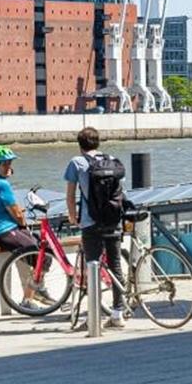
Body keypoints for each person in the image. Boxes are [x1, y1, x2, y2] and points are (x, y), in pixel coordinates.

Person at [0, 145, 54, 312]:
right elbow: (16, 212)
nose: (9, 167)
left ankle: (35, 291)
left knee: (39, 245)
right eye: (5, 164)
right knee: (40, 254)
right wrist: (24, 225)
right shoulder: (1, 184)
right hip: (1, 231)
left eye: (10, 163)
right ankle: (33, 294)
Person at [64, 127, 127, 329]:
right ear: (98, 142)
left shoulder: (77, 162)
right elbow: (120, 189)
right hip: (113, 219)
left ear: (80, 145)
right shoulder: (112, 159)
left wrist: (74, 217)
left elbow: (71, 194)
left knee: (93, 266)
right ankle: (118, 312)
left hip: (91, 221)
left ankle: (94, 317)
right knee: (115, 264)